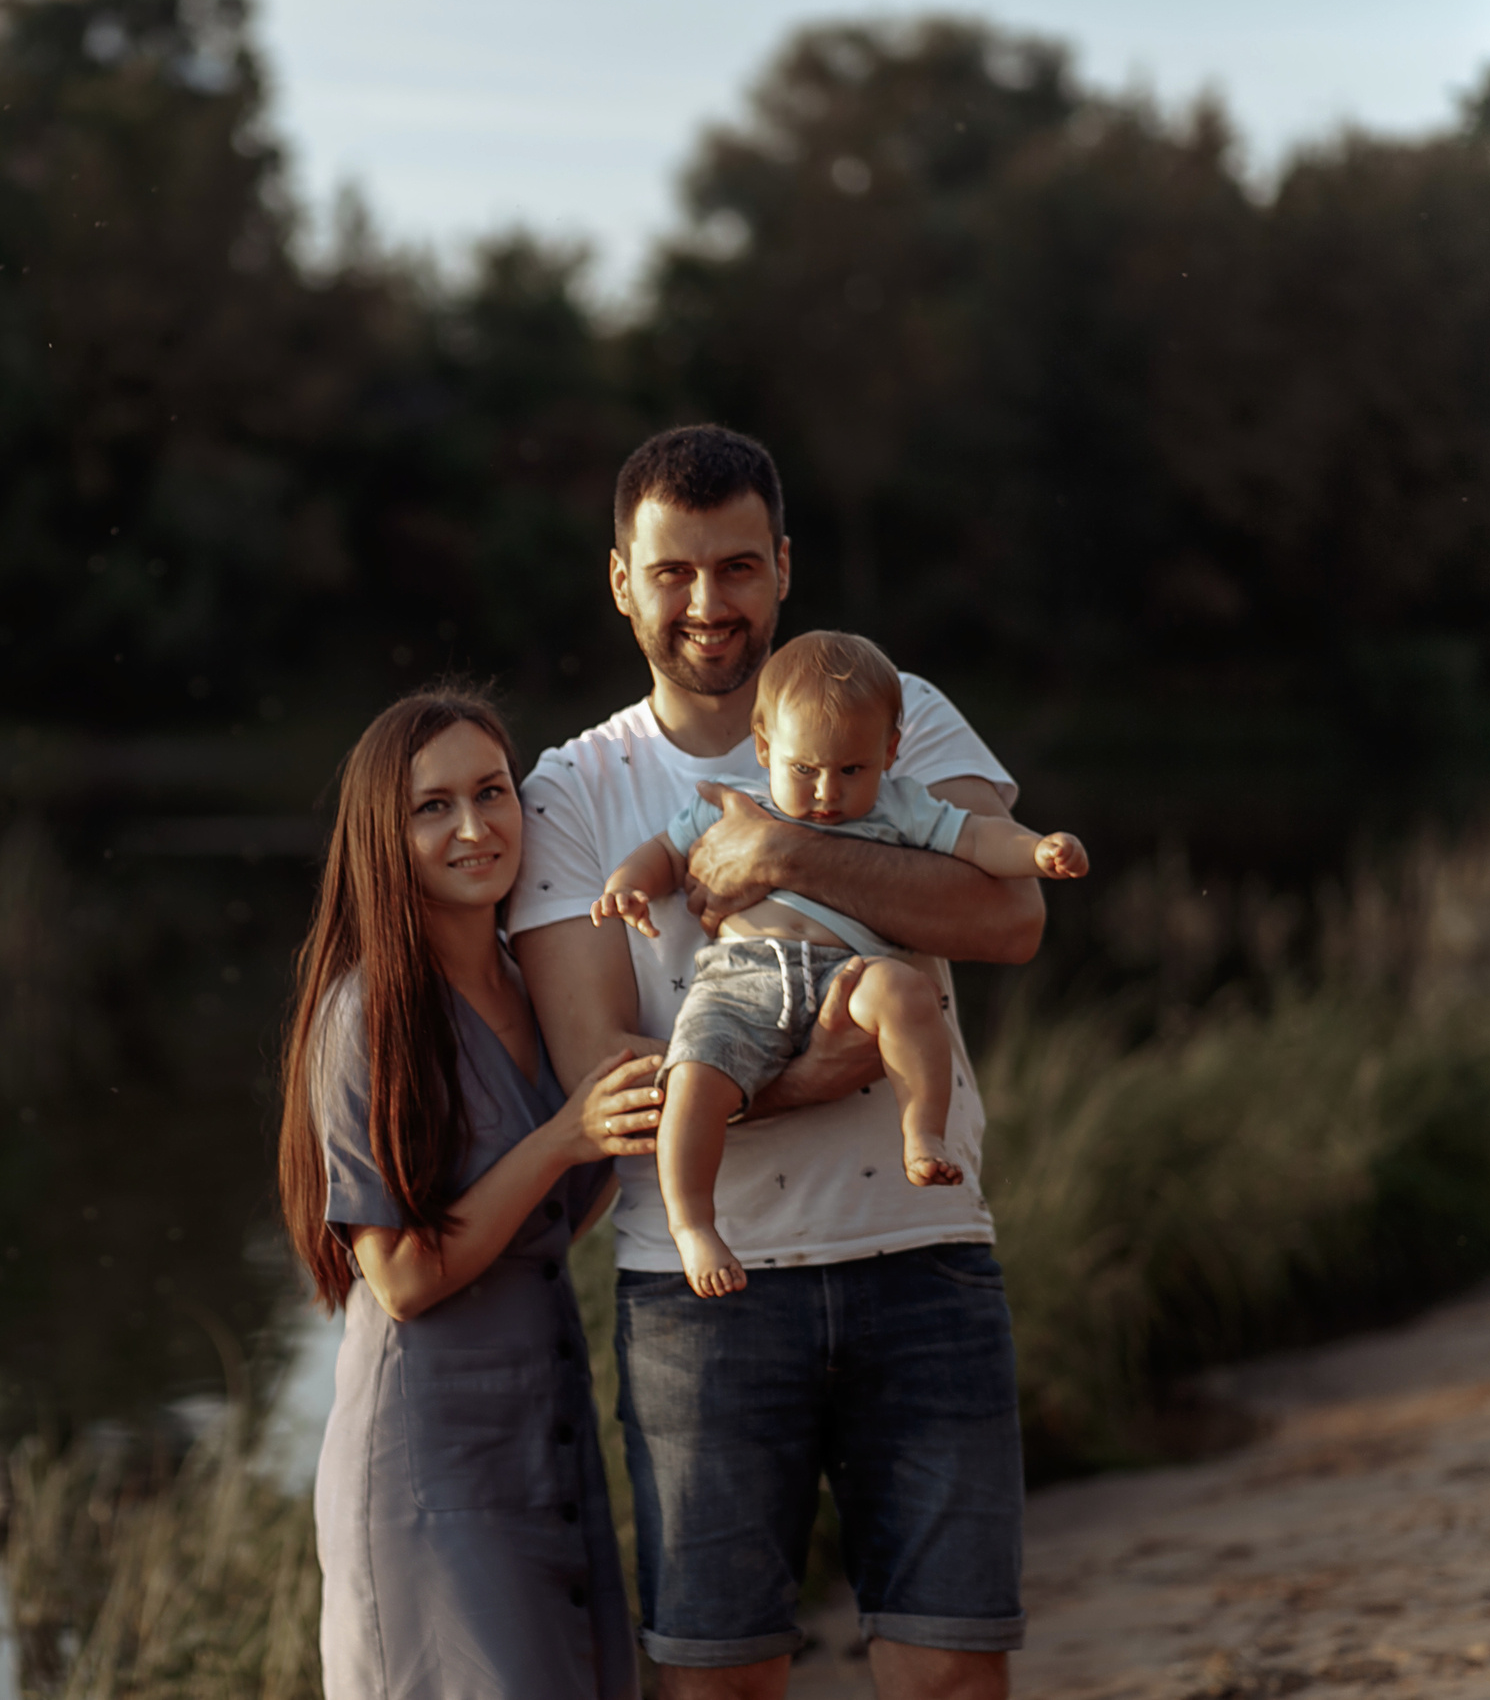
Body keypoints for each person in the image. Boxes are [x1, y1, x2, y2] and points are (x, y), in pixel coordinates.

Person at [509, 425, 1039, 1699]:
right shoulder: (573, 791)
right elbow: (605, 1076)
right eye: (673, 571)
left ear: (784, 566)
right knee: (720, 1683)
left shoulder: (887, 708)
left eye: (737, 566)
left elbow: (1009, 917)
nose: (707, 602)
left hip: (921, 1253)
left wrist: (786, 852)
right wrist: (820, 1072)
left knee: (950, 1674)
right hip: (699, 1293)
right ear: (622, 582)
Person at [281, 686, 664, 1700]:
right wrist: (563, 1136)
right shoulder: (366, 1014)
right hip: (429, 1469)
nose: (474, 828)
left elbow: (554, 1215)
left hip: (549, 1438)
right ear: (384, 835)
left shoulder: (536, 983)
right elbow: (402, 1278)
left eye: (492, 792)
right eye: (433, 807)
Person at [588, 631, 1089, 1299]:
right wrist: (627, 886)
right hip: (742, 981)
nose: (827, 791)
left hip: (848, 974)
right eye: (805, 769)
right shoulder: (732, 801)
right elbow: (665, 853)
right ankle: (694, 1225)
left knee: (907, 994)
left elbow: (975, 837)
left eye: (852, 770)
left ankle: (922, 1133)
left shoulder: (900, 805)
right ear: (765, 748)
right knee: (693, 1077)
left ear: (889, 752)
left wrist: (1036, 851)